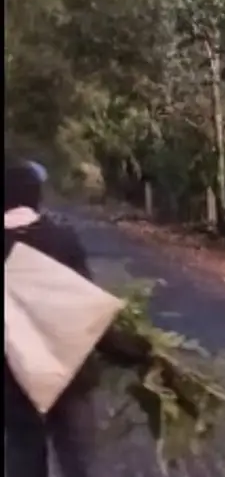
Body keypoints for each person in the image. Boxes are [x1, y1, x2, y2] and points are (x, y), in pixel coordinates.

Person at [4, 158, 151, 477]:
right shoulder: (60, 240)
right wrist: (130, 350)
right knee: (78, 461)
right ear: (35, 197)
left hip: (13, 382)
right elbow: (82, 312)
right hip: (69, 372)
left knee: (22, 459)